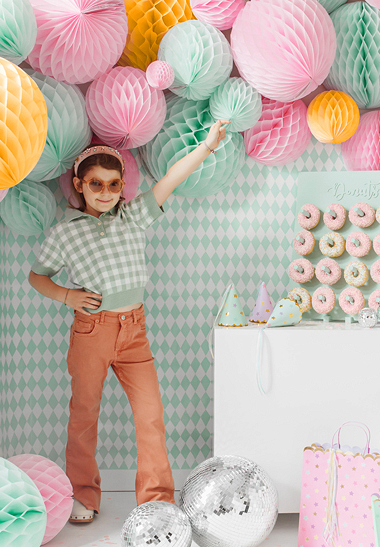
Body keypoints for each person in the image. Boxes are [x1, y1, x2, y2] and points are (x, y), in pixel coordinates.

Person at [28, 121, 229, 523]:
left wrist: (207, 147)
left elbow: (172, 177)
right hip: (92, 331)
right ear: (79, 185)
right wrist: (68, 296)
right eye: (96, 184)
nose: (105, 193)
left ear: (122, 187)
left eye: (113, 184)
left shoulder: (133, 217)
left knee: (151, 415)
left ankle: (156, 499)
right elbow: (38, 276)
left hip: (135, 331)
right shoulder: (65, 232)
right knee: (84, 413)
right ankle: (82, 495)